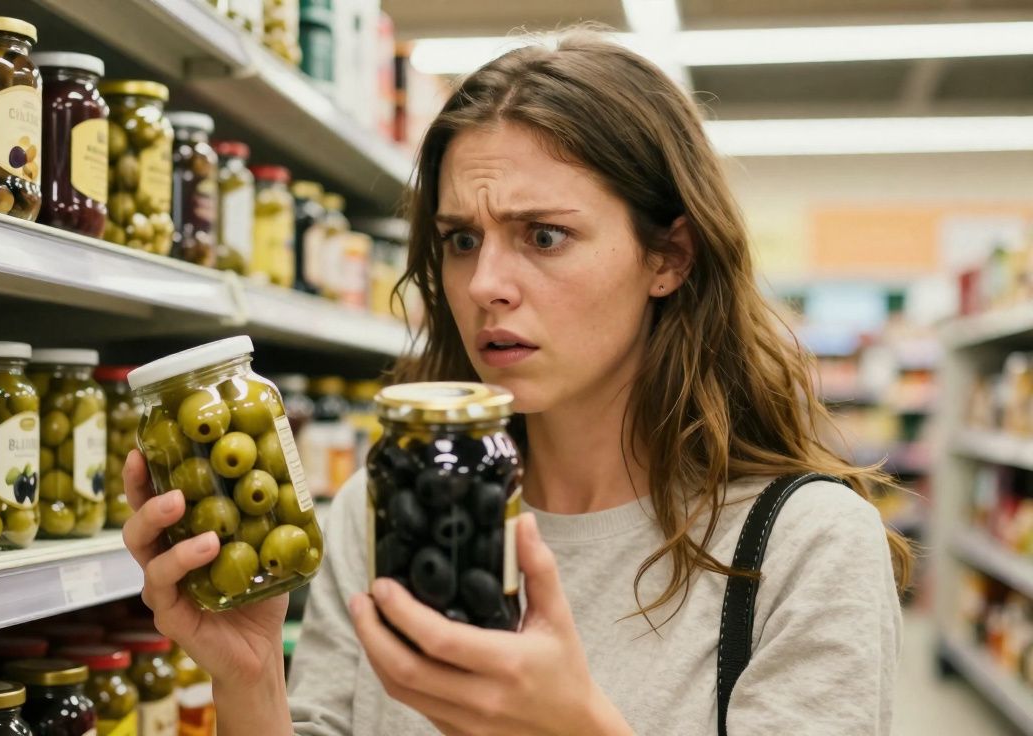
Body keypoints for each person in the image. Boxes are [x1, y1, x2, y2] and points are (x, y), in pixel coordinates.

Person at [121, 26, 911, 735]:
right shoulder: (385, 506)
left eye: (544, 235)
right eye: (461, 239)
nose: (483, 284)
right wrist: (252, 681)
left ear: (669, 257)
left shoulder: (804, 545)